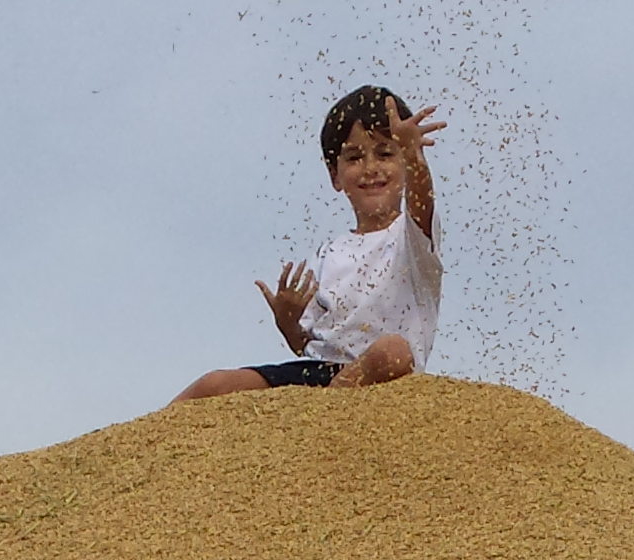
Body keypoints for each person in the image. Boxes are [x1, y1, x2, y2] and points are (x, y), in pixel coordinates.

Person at [169, 85, 446, 404]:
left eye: (385, 154)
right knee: (216, 383)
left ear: (404, 164)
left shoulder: (411, 236)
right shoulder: (327, 255)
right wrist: (287, 321)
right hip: (316, 372)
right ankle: (142, 434)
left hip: (379, 375)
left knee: (393, 351)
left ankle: (322, 414)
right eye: (354, 157)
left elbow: (421, 201)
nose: (371, 168)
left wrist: (414, 156)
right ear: (335, 175)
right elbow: (304, 344)